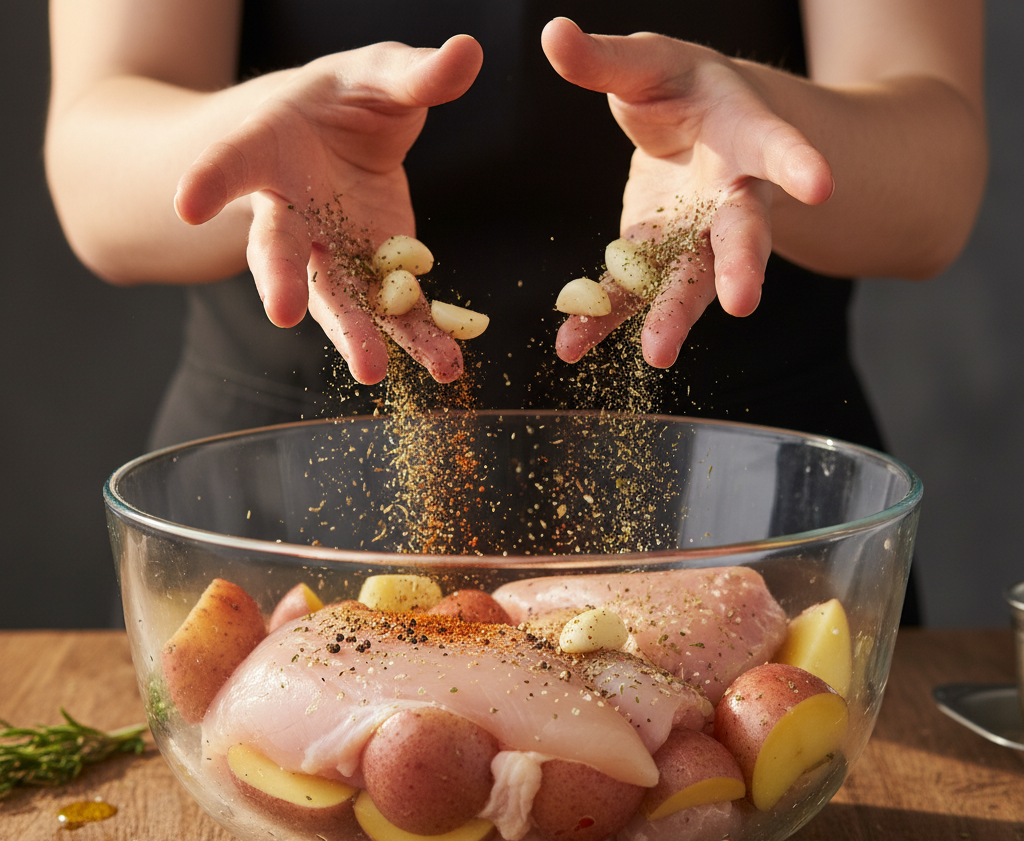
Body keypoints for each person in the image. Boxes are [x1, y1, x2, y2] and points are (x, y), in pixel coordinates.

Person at [45, 2, 985, 623]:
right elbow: (96, 179)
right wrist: (253, 136)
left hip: (749, 524)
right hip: (285, 523)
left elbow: (935, 186)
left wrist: (769, 124)